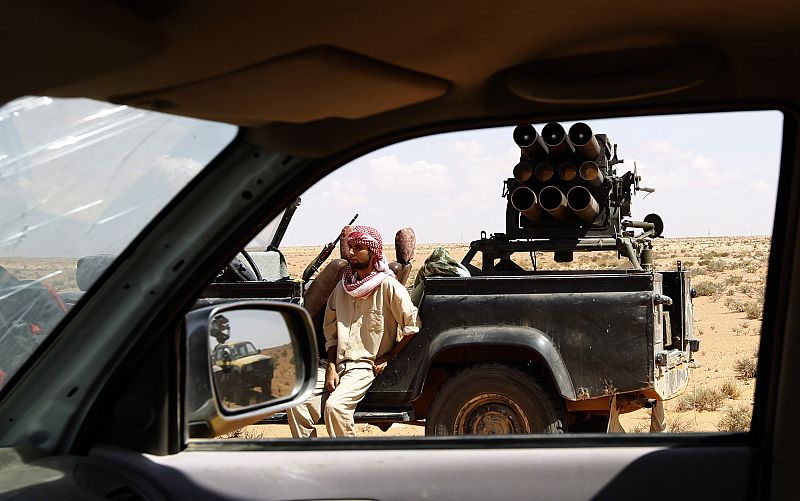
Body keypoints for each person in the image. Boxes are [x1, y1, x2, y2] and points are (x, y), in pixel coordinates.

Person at [288, 225, 420, 438]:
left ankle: (348, 463)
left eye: (358, 248)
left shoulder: (388, 286)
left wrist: (390, 355)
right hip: (336, 364)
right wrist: (331, 366)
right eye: (350, 247)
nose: (350, 253)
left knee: (336, 408)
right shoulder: (342, 287)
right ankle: (314, 460)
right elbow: (330, 333)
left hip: (362, 367)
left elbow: (412, 325)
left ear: (373, 251)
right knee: (296, 401)